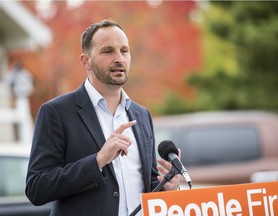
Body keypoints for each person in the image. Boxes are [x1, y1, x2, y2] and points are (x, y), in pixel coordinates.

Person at [25, 19, 180, 216]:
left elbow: (147, 183)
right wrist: (98, 161)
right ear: (85, 61)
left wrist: (167, 186)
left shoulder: (141, 115)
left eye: (124, 51)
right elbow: (36, 188)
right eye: (108, 51)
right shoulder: (56, 112)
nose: (119, 58)